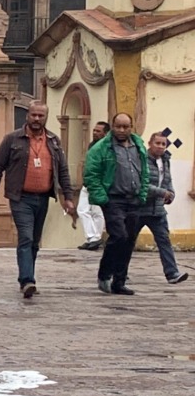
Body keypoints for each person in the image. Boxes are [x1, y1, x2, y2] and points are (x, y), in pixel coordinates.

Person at [0, 102, 76, 299]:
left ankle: (27, 277)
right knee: (25, 237)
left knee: (34, 241)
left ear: (45, 117)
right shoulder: (12, 139)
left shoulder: (53, 141)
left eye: (40, 116)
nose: (36, 119)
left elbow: (63, 171)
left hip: (43, 197)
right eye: (33, 115)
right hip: (21, 197)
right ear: (27, 115)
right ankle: (27, 280)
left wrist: (68, 198)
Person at [85, 113, 150, 296]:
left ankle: (119, 281)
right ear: (112, 127)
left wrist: (143, 193)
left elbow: (144, 171)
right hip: (113, 199)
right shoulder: (101, 148)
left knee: (129, 240)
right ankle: (105, 274)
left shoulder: (138, 146)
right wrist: (102, 198)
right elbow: (91, 174)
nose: (122, 130)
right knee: (119, 235)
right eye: (118, 126)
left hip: (134, 199)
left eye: (125, 127)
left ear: (131, 127)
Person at [141, 132, 187, 285]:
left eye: (163, 144)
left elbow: (168, 180)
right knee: (127, 242)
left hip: (158, 210)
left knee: (164, 240)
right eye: (157, 143)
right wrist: (162, 192)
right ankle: (119, 272)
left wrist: (171, 193)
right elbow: (142, 184)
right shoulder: (142, 160)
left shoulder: (165, 161)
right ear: (150, 143)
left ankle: (172, 273)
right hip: (140, 208)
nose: (160, 147)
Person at [78, 120, 108, 250]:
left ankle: (94, 237)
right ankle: (93, 237)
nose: (95, 133)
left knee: (95, 211)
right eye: (94, 130)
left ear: (105, 133)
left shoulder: (105, 148)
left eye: (98, 131)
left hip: (98, 184)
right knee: (84, 210)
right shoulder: (93, 145)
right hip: (88, 182)